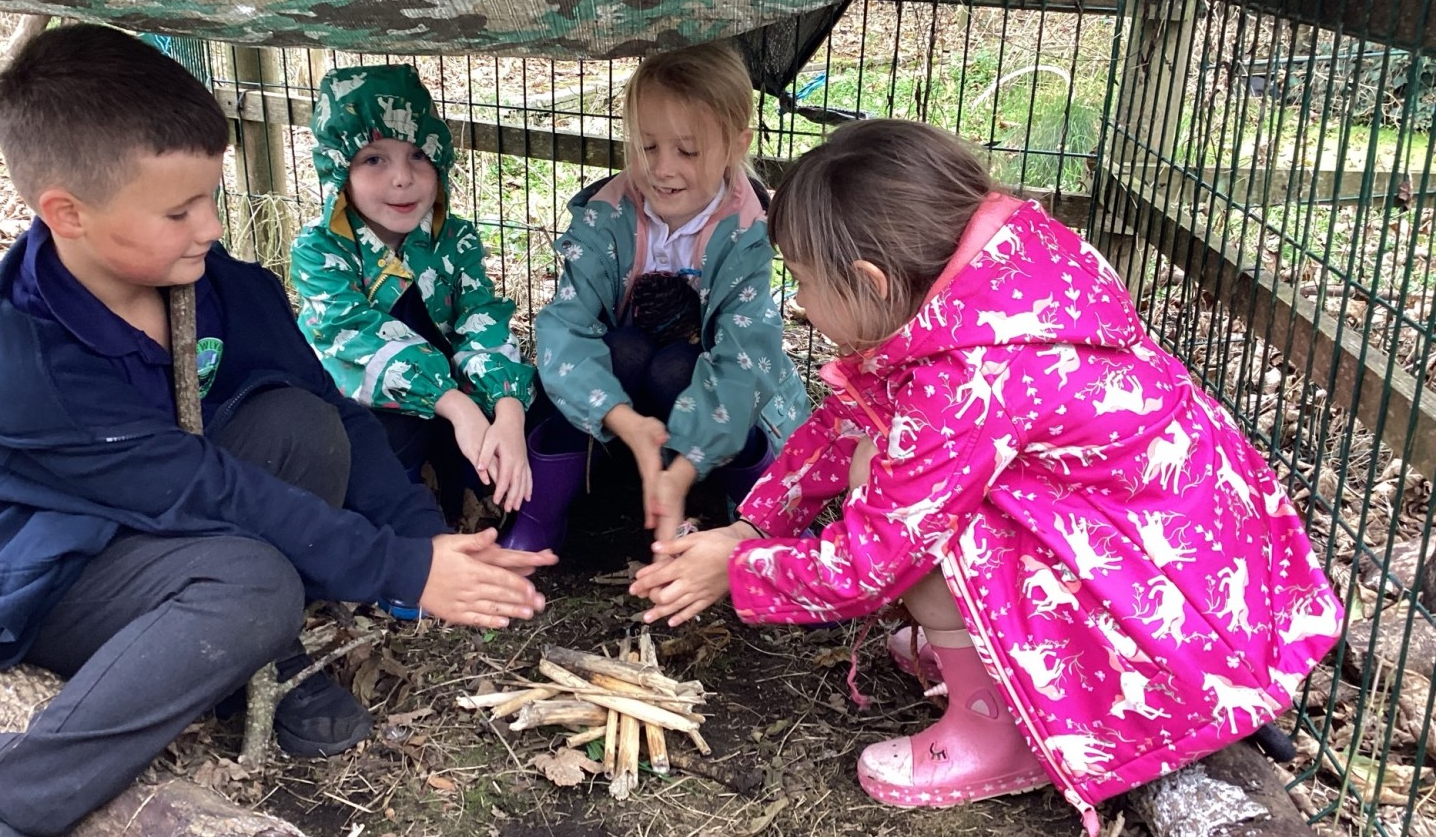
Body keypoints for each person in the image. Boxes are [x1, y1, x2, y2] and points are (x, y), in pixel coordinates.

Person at [0, 26, 555, 837]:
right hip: (40, 570)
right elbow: (202, 488)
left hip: (158, 519)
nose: (210, 227)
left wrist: (426, 540)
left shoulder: (218, 284)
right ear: (67, 214)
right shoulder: (20, 354)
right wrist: (400, 569)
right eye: (178, 210)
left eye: (209, 197)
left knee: (301, 423)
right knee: (256, 585)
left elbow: (334, 412)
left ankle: (249, 655)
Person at [630, 119, 1343, 834]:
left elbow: (875, 559)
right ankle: (987, 654)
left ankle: (995, 731)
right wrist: (755, 525)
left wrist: (743, 570)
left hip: (1168, 633)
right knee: (889, 463)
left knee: (915, 513)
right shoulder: (993, 280)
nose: (800, 302)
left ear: (871, 281)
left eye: (805, 281)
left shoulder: (969, 376)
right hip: (1190, 571)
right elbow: (854, 418)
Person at [508, 42, 810, 553]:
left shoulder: (748, 231)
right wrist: (623, 419)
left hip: (710, 408)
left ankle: (759, 518)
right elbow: (565, 328)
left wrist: (686, 462)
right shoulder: (605, 215)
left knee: (677, 366)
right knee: (622, 349)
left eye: (687, 151)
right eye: (647, 147)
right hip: (622, 409)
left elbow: (744, 360)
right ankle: (543, 514)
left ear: (736, 145)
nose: (662, 169)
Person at [291, 64, 537, 524]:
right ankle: (399, 531)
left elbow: (481, 319)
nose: (402, 178)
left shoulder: (455, 239)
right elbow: (353, 336)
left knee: (525, 411)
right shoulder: (320, 250)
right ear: (340, 170)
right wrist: (457, 406)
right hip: (370, 406)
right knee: (386, 437)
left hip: (448, 399)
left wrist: (508, 412)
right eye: (374, 160)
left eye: (418, 155)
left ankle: (478, 512)